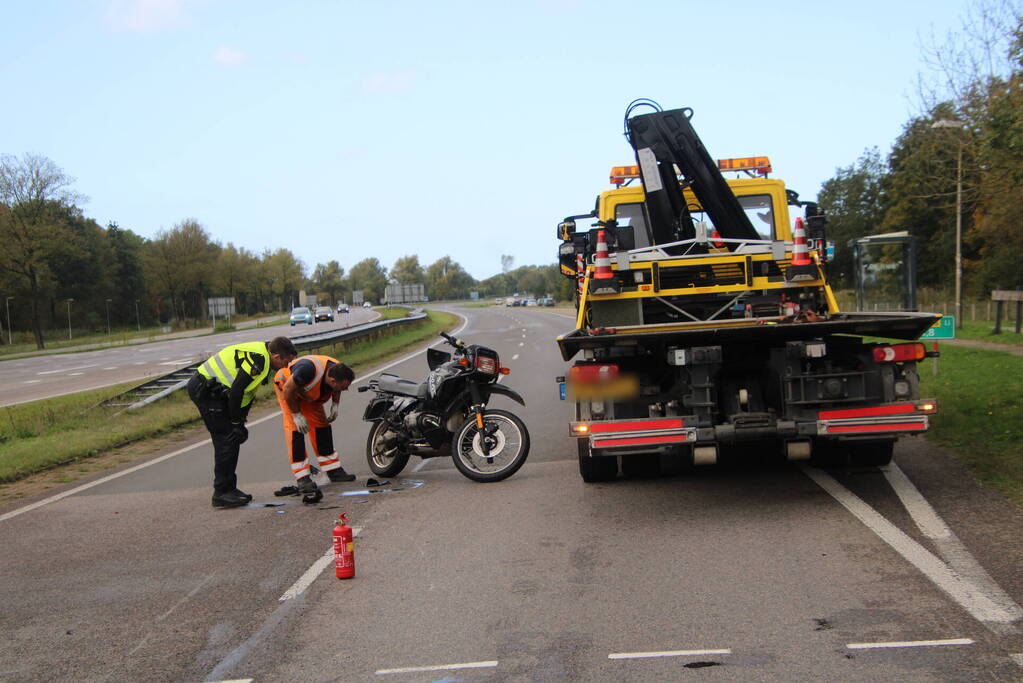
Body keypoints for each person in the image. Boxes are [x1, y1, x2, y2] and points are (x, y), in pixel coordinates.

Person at [187, 336, 297, 508]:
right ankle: (222, 492)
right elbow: (237, 391)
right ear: (277, 357)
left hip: (216, 392)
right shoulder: (259, 360)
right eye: (285, 363)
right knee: (226, 439)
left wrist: (241, 421)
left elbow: (246, 393)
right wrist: (236, 424)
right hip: (206, 390)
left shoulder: (264, 355)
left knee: (232, 438)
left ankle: (229, 488)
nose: (285, 367)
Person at [273, 355, 357, 498]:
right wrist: (297, 415)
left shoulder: (338, 370)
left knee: (322, 428)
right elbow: (288, 390)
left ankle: (333, 470)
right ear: (332, 381)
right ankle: (302, 478)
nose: (346, 390)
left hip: (308, 395)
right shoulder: (307, 370)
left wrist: (335, 405)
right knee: (296, 431)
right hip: (287, 389)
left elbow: (337, 389)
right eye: (344, 387)